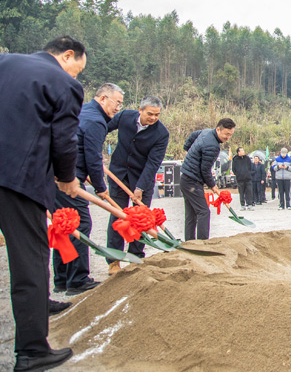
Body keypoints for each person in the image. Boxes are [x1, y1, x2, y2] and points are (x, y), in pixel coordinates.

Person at [0, 36, 86, 370]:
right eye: (77, 70)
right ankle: (32, 351)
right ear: (68, 56)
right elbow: (64, 140)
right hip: (17, 181)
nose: (76, 78)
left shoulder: (5, 62)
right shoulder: (62, 82)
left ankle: (41, 303)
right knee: (31, 261)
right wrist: (67, 177)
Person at [53, 83, 124, 296]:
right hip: (69, 180)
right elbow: (93, 157)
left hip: (56, 175)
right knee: (80, 224)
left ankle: (62, 278)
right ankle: (78, 280)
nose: (117, 108)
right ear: (103, 98)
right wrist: (101, 187)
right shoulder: (95, 121)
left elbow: (81, 150)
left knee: (64, 224)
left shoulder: (82, 111)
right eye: (116, 103)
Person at [105, 95, 169, 275]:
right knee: (117, 217)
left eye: (157, 115)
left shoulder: (161, 133)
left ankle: (136, 257)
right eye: (150, 114)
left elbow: (153, 163)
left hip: (142, 178)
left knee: (141, 219)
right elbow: (103, 128)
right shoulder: (125, 116)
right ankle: (114, 260)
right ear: (140, 110)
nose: (153, 118)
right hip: (119, 175)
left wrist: (140, 188)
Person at [181, 119, 236, 240]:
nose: (228, 137)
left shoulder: (206, 132)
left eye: (230, 134)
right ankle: (202, 242)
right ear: (218, 129)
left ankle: (190, 242)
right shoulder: (213, 146)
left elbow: (193, 135)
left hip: (186, 178)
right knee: (203, 212)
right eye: (226, 134)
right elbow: (205, 170)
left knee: (191, 214)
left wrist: (188, 149)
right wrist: (213, 185)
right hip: (192, 181)